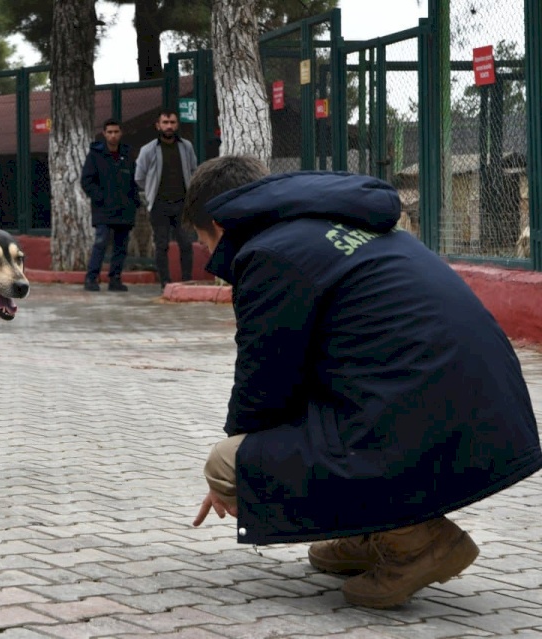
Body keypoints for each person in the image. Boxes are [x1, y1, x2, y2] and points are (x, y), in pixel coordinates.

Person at [185, 155, 542, 609]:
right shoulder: (336, 222)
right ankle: (371, 529)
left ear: (219, 221)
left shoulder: (270, 253)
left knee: (228, 461)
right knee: (317, 410)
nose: (213, 261)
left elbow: (264, 385)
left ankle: (416, 541)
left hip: (421, 406)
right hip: (491, 404)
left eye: (204, 242)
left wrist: (239, 476)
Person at [135, 109, 199, 289]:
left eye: (172, 122)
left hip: (182, 204)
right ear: (158, 125)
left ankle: (187, 280)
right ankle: (165, 282)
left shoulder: (186, 146)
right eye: (165, 122)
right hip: (159, 205)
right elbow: (139, 177)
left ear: (177, 124)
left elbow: (194, 170)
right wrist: (151, 193)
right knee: (162, 245)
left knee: (186, 244)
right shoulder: (148, 150)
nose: (169, 126)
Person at [80, 118, 141, 292]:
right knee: (100, 242)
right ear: (104, 134)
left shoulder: (127, 154)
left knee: (121, 246)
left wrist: (134, 200)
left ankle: (115, 278)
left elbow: (134, 179)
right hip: (103, 209)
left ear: (121, 133)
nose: (113, 136)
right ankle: (91, 278)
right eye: (109, 132)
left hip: (124, 208)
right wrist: (100, 197)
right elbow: (87, 180)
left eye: (116, 132)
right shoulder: (95, 155)